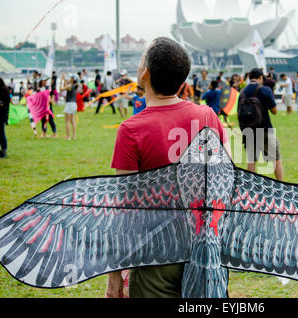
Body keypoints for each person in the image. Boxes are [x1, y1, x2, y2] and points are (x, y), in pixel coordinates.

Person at [108, 37, 228, 298]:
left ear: (145, 73)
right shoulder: (208, 116)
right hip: (204, 247)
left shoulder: (131, 130)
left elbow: (124, 209)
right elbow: (226, 183)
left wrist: (115, 274)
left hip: (154, 253)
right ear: (183, 81)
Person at [240, 68, 284, 181]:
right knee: (275, 158)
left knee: (251, 160)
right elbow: (274, 111)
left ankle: (251, 186)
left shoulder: (243, 92)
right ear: (260, 78)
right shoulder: (265, 90)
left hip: (248, 130)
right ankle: (281, 184)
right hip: (264, 129)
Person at [60, 75, 79, 140]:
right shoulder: (75, 86)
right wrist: (65, 81)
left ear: (73, 79)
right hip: (74, 104)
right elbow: (67, 87)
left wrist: (61, 81)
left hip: (69, 104)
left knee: (67, 121)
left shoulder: (70, 86)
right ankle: (74, 136)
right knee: (72, 121)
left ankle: (68, 136)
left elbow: (61, 89)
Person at [0, 76, 10, 158]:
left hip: (1, 116)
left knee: (1, 133)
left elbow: (5, 104)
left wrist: (1, 105)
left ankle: (4, 150)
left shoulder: (3, 91)